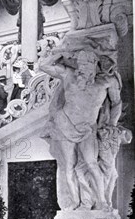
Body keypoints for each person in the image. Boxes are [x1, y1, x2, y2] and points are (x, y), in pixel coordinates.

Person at [40, 48, 122, 210]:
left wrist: (112, 123)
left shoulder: (106, 82)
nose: (84, 68)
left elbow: (116, 104)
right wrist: (63, 53)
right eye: (81, 64)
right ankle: (75, 203)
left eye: (88, 64)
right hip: (64, 126)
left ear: (95, 65)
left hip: (87, 129)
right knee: (68, 166)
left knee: (92, 163)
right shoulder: (69, 75)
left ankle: (102, 201)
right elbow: (44, 65)